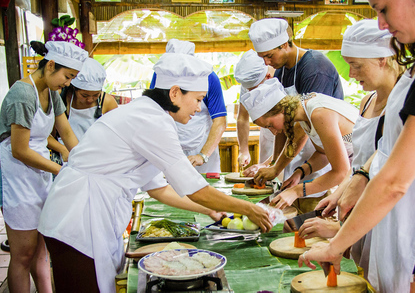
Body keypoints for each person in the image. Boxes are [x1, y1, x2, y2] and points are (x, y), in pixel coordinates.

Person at [38, 53, 272, 293]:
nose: (199, 107)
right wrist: (248, 208)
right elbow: (195, 189)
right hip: (76, 216)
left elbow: (159, 188)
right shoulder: (152, 120)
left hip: (87, 211)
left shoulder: (148, 113)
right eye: (198, 99)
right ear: (174, 93)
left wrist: (210, 210)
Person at [299, 0, 415, 292]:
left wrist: (336, 243)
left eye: (383, 9)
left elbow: (395, 181)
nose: (381, 24)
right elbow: (390, 148)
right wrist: (360, 177)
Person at [299, 19, 403, 279]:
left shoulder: (403, 104)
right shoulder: (367, 101)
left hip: (388, 219)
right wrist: (339, 193)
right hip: (359, 216)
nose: (351, 74)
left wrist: (338, 229)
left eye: (356, 65)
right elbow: (361, 164)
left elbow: (387, 173)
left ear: (382, 59)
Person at [0, 41, 87, 292]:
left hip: (38, 174)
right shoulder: (23, 94)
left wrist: (84, 162)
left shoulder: (52, 93)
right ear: (50, 65)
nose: (67, 83)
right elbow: (20, 149)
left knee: (40, 252)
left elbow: (66, 132)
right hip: (17, 175)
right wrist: (62, 170)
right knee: (23, 255)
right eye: (67, 76)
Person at [245, 18, 344, 195]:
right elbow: (286, 127)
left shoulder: (315, 68)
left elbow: (301, 127)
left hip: (323, 157)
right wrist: (275, 164)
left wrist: (276, 169)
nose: (266, 63)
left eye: (269, 55)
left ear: (284, 44)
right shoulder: (282, 71)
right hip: (298, 162)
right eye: (263, 58)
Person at [241, 79, 358, 213]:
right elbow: (322, 153)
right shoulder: (304, 115)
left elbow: (341, 172)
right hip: (355, 175)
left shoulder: (319, 113)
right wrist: (300, 173)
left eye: (270, 125)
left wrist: (297, 191)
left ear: (280, 110)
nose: (273, 132)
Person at [150, 39, 227, 173]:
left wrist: (203, 155)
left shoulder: (207, 76)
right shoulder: (161, 75)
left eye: (199, 100)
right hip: (171, 145)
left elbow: (220, 121)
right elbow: (156, 115)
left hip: (202, 144)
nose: (198, 107)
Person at [234, 49, 275, 167]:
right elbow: (242, 117)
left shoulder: (284, 77)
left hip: (297, 142)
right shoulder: (249, 80)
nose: (251, 93)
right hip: (268, 139)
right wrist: (243, 150)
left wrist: (270, 163)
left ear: (268, 77)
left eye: (255, 89)